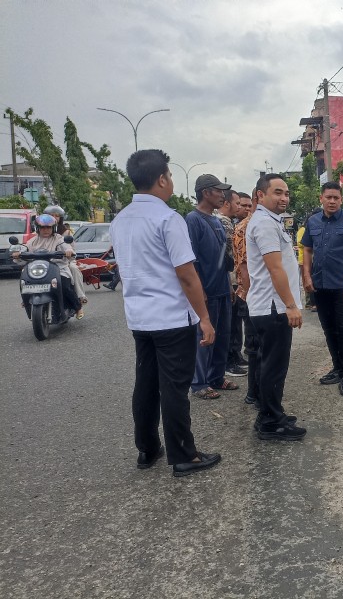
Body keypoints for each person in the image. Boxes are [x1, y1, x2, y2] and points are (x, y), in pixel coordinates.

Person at [109, 149, 221, 477]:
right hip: (171, 319)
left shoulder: (120, 220)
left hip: (140, 319)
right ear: (161, 179)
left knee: (145, 384)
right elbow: (186, 274)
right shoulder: (167, 218)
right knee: (174, 388)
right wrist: (204, 317)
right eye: (170, 175)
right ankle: (184, 455)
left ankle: (147, 449)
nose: (171, 181)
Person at [247, 173, 306, 440]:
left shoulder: (269, 221)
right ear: (261, 195)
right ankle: (271, 422)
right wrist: (291, 306)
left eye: (286, 193)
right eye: (278, 192)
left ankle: (269, 413)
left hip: (269, 306)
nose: (284, 198)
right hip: (273, 308)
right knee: (274, 365)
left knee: (267, 363)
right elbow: (275, 268)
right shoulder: (265, 224)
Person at [301, 181, 343, 397]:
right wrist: (306, 276)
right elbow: (307, 250)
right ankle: (337, 368)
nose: (332, 201)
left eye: (336, 198)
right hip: (320, 285)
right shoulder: (313, 221)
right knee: (329, 329)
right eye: (328, 197)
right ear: (321, 198)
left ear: (341, 200)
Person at [185, 174, 237, 400]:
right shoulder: (193, 220)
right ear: (206, 192)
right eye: (219, 190)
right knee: (206, 336)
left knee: (223, 336)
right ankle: (199, 383)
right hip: (206, 291)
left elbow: (223, 258)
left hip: (223, 288)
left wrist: (230, 286)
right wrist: (200, 290)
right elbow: (191, 259)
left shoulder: (216, 221)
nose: (222, 195)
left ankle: (216, 376)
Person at [12, 213, 84, 318]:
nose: (46, 230)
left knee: (64, 285)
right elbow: (24, 249)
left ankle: (78, 307)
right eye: (42, 227)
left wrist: (68, 250)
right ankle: (26, 299)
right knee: (25, 281)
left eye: (48, 227)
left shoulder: (59, 239)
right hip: (37, 268)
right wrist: (17, 254)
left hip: (58, 268)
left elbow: (66, 246)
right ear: (37, 228)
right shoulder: (32, 241)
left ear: (53, 228)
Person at [232, 189, 260, 406]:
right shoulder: (244, 228)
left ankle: (260, 390)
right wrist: (252, 297)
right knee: (254, 346)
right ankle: (254, 392)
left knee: (262, 346)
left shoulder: (267, 224)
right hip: (251, 296)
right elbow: (243, 267)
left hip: (263, 296)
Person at [217, 189, 247, 377]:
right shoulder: (223, 223)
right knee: (230, 322)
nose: (240, 207)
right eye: (238, 203)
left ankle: (234, 356)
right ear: (227, 203)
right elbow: (228, 258)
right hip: (230, 280)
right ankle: (229, 360)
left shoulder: (230, 223)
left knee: (236, 322)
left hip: (233, 280)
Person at [44, 204, 88, 306]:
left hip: (65, 260)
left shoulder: (66, 232)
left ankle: (80, 296)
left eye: (57, 215)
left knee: (73, 268)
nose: (54, 218)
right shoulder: (39, 231)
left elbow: (71, 248)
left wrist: (68, 252)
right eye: (51, 215)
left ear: (61, 218)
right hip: (45, 261)